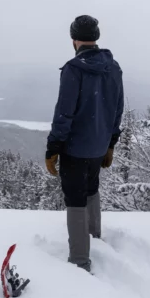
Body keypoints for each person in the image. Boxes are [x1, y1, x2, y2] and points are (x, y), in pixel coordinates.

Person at [45, 15, 124, 272]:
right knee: (91, 190)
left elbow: (64, 113)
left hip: (75, 148)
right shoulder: (113, 68)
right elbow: (117, 109)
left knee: (75, 199)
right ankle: (94, 238)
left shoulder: (74, 69)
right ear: (95, 37)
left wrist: (53, 148)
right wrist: (110, 143)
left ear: (74, 39)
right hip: (99, 146)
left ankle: (79, 261)